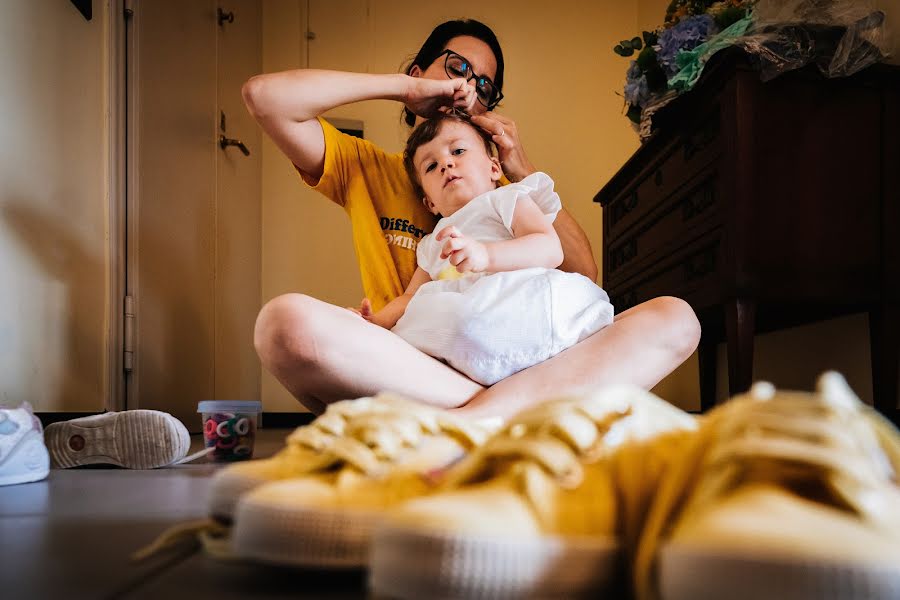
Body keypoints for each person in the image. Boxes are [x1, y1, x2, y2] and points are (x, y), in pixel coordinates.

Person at [242, 18, 701, 419]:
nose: (468, 89)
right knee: (283, 325)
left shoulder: (503, 190)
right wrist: (405, 89)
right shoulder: (366, 168)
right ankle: (508, 412)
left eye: (484, 85)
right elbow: (265, 97)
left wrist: (522, 171)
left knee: (676, 318)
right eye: (457, 67)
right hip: (415, 366)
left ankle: (467, 421)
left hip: (524, 361)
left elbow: (582, 274)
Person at [355, 112, 614, 386]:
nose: (446, 163)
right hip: (468, 325)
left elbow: (550, 248)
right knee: (422, 326)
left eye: (458, 150)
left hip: (515, 303)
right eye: (431, 166)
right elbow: (411, 298)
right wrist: (377, 321)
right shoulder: (433, 242)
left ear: (494, 169)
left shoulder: (505, 198)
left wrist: (486, 255)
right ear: (429, 203)